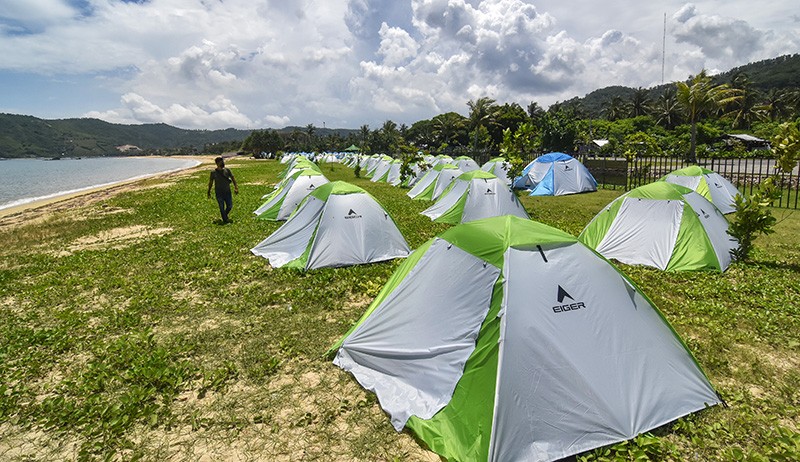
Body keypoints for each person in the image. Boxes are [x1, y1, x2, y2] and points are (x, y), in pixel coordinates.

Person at [207, 156, 238, 223]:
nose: (223, 163)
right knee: (221, 207)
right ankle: (225, 219)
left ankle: (224, 216)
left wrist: (236, 187)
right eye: (221, 161)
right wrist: (209, 191)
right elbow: (211, 182)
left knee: (229, 206)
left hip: (227, 191)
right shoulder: (213, 172)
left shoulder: (227, 170)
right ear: (217, 163)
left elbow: (233, 178)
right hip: (219, 192)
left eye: (223, 161)